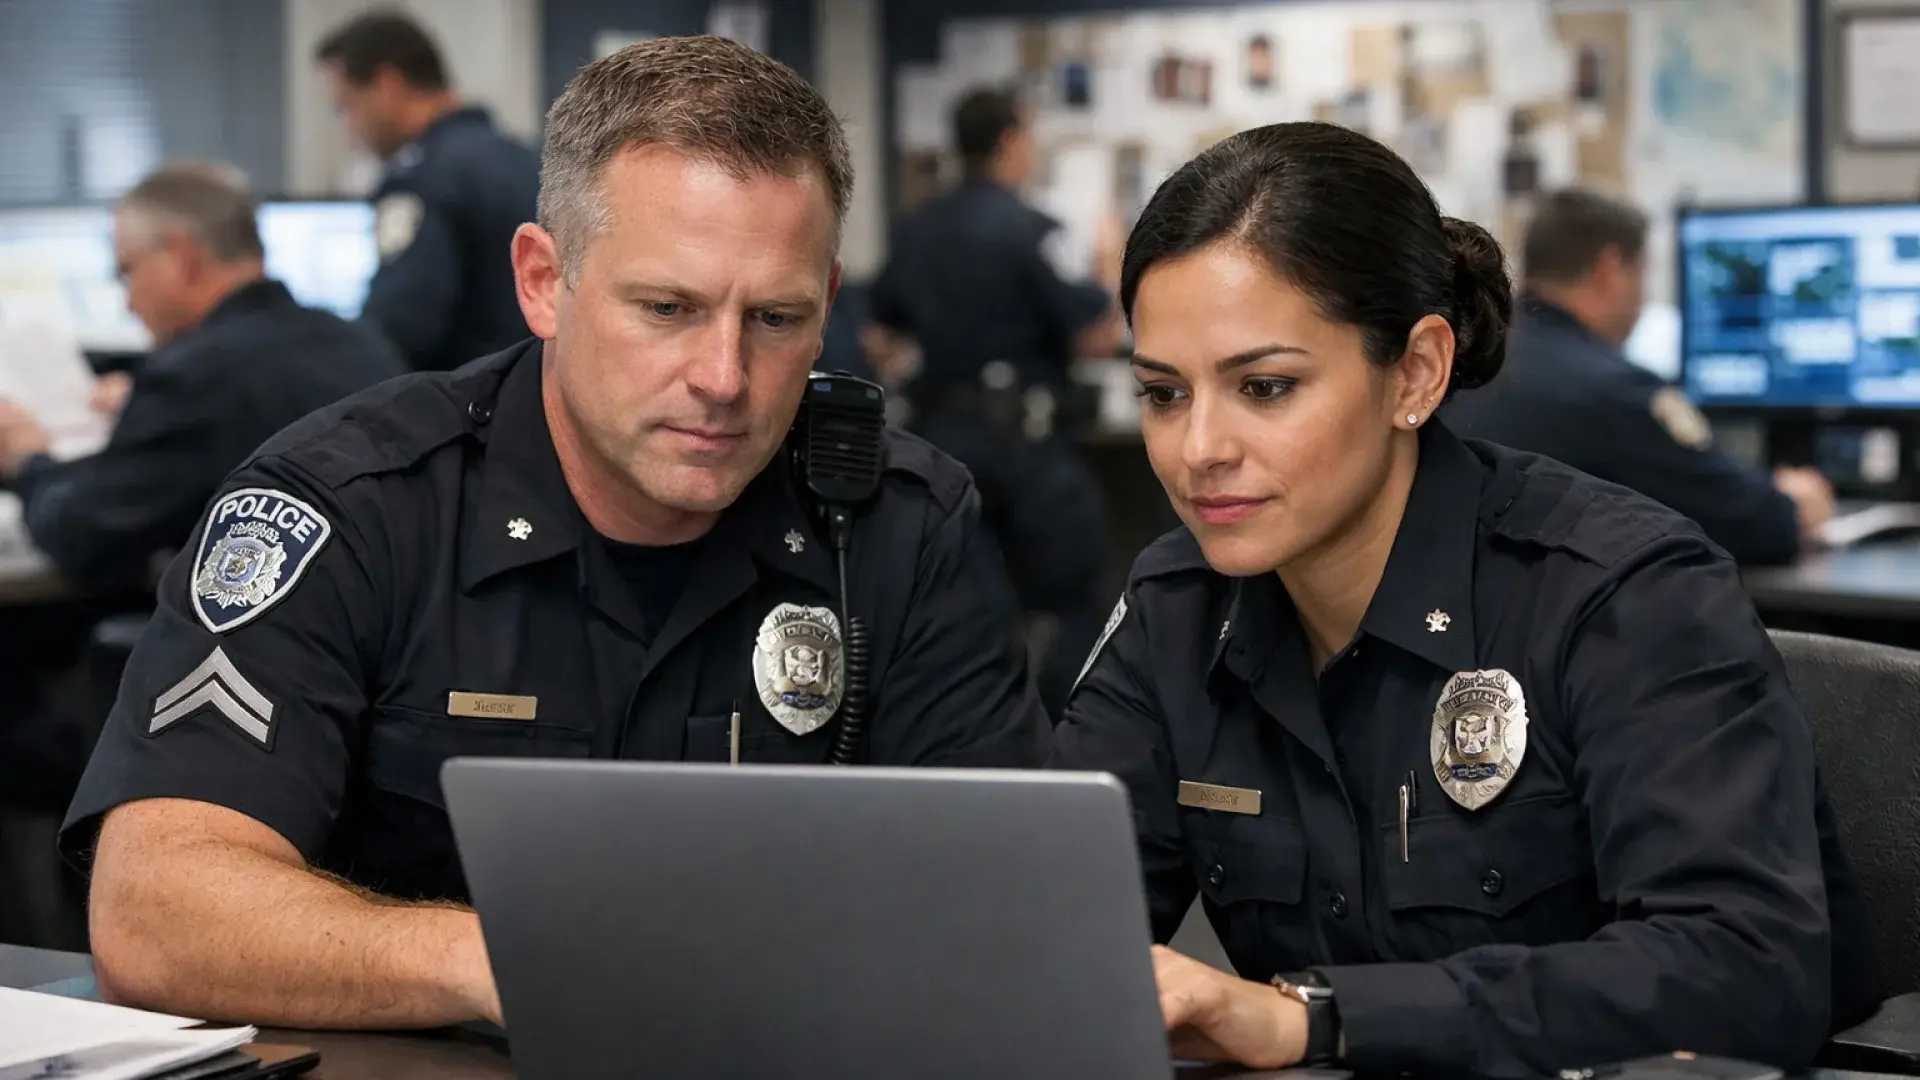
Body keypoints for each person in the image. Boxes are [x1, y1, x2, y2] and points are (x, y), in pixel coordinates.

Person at [61, 35, 1045, 1032]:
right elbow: (155, 910)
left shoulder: (897, 524)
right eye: (667, 308)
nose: (723, 377)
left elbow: (1020, 918)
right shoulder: (355, 507)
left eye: (777, 320)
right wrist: (507, 959)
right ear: (542, 280)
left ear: (829, 306)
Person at [1050, 123, 1879, 1077]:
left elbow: (1746, 969)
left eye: (1265, 386)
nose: (1198, 450)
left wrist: (1319, 1019)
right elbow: (1053, 938)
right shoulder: (1176, 608)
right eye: (1163, 394)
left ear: (1416, 372)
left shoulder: (1618, 591)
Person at [0, 164, 404, 589]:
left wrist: (28, 459)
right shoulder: (363, 344)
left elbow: (81, 533)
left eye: (127, 270)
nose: (128, 301)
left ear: (182, 259)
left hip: (263, 644)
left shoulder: (197, 377)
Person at [865, 86, 1123, 719]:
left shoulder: (918, 228)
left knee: (961, 604)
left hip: (940, 442)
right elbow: (1096, 335)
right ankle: (1069, 737)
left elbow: (879, 335)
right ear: (1010, 141)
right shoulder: (1032, 229)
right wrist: (1112, 261)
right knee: (1079, 599)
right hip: (1026, 446)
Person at [1445, 188, 1834, 566]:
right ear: (1611, 270)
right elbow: (1751, 523)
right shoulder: (1616, 391)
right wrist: (1794, 505)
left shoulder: (1463, 362)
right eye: (1642, 274)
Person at [316, 10, 540, 371]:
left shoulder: (422, 182)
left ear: (387, 85)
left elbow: (399, 326)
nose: (349, 128)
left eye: (347, 106)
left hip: (467, 405)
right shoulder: (529, 159)